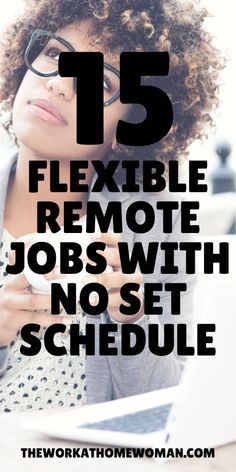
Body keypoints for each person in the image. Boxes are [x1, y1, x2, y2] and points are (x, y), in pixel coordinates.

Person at [0, 0, 223, 413]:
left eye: (100, 83)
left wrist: (132, 321)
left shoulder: (156, 222)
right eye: (55, 54)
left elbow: (166, 408)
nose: (60, 84)